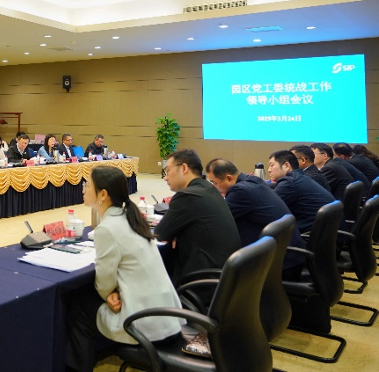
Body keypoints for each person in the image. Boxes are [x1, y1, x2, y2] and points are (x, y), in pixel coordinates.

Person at [65, 166, 182, 372]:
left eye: (88, 185)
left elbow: (104, 282)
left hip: (145, 326)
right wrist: (112, 292)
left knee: (77, 306)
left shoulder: (107, 228)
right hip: (167, 318)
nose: (83, 189)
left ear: (103, 194)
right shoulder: (131, 217)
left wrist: (109, 293)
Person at [206, 158, 305, 277]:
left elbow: (216, 220)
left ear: (229, 178)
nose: (215, 188)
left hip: (279, 265)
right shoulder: (254, 180)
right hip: (290, 257)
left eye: (215, 183)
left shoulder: (239, 191)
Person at [154, 149, 240, 286]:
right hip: (224, 277)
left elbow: (160, 233)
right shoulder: (209, 189)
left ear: (184, 168)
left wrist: (173, 232)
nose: (165, 177)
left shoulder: (187, 195)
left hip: (203, 282)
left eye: (168, 171)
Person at [268, 150, 335, 234]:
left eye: (272, 165)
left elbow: (268, 207)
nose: (269, 170)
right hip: (327, 233)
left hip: (309, 235)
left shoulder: (289, 182)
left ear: (286, 165)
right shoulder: (300, 176)